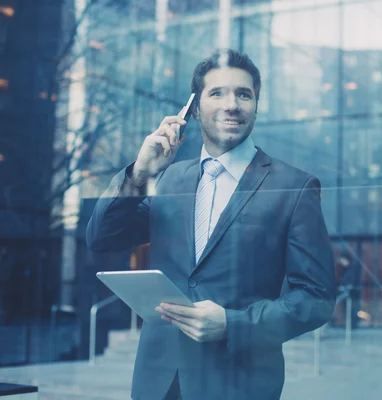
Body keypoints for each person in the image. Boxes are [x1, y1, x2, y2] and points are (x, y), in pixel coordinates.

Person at [87, 48, 336, 400]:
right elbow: (102, 238)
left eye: (243, 94)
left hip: (238, 383)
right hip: (157, 382)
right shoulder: (170, 178)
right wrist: (138, 174)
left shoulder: (293, 187)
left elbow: (317, 298)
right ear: (194, 107)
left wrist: (234, 325)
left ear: (256, 105)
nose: (231, 104)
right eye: (217, 92)